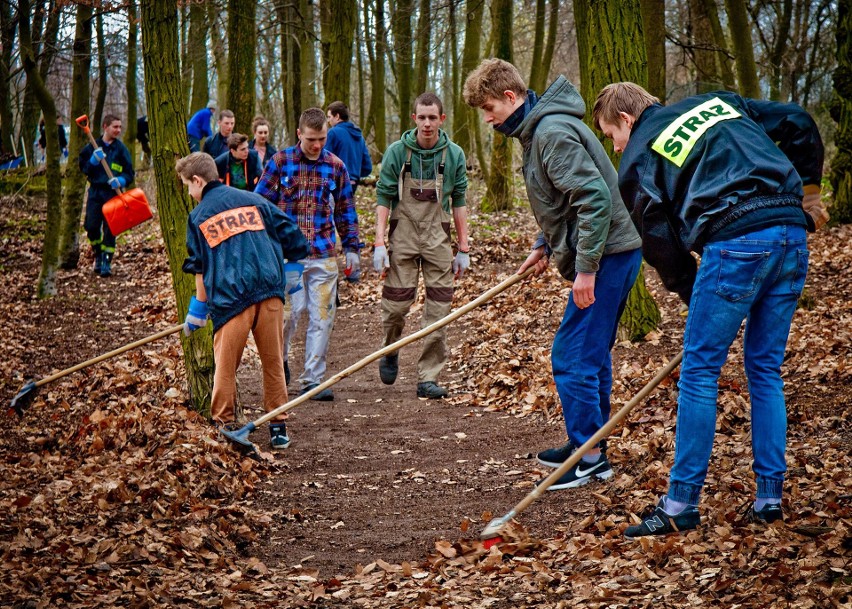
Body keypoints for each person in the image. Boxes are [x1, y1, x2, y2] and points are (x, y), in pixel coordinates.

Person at [592, 83, 827, 537]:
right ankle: (769, 500)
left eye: (610, 135)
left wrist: (691, 289)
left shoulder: (640, 153)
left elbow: (660, 243)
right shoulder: (719, 103)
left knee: (700, 371)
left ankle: (680, 503)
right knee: (764, 369)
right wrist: (808, 194)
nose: (616, 146)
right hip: (790, 235)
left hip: (734, 242)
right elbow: (797, 122)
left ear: (625, 120)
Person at [463, 59, 642, 489]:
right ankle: (589, 444)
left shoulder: (551, 133)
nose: (488, 120)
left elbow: (594, 200)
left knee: (572, 355)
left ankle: (591, 457)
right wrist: (543, 245)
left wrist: (586, 270)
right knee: (591, 353)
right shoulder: (537, 130)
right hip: (612, 254)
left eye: (489, 109)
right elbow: (561, 200)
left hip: (608, 257)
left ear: (511, 97)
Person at [178, 152, 310, 450]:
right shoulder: (254, 200)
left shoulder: (198, 217)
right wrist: (291, 270)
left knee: (225, 366)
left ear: (198, 181)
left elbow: (199, 270)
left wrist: (197, 312)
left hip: (231, 299)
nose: (189, 192)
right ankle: (278, 426)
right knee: (273, 360)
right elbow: (292, 234)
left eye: (188, 185)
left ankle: (224, 425)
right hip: (269, 291)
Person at [255, 107, 361, 401]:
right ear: (299, 134)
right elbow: (260, 205)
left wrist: (352, 248)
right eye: (312, 139)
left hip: (324, 253)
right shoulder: (280, 162)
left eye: (322, 139)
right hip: (288, 257)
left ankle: (313, 379)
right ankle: (282, 363)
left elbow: (345, 211)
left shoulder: (336, 166)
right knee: (289, 314)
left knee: (323, 317)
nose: (317, 145)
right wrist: (264, 245)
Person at [373, 93, 470, 400]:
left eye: (433, 117)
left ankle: (428, 376)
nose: (427, 123)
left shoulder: (453, 155)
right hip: (402, 236)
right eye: (422, 117)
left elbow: (460, 202)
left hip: (438, 238)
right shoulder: (396, 153)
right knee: (396, 305)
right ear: (413, 119)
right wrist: (378, 242)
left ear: (442, 119)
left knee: (439, 309)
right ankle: (391, 349)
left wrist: (464, 247)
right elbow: (383, 197)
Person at [78, 113, 135, 278]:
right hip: (96, 192)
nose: (118, 130)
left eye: (120, 127)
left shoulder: (121, 149)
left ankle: (106, 262)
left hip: (113, 194)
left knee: (111, 229)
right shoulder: (91, 148)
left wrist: (122, 180)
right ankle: (98, 254)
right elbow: (83, 169)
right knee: (91, 226)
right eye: (115, 127)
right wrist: (93, 162)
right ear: (105, 127)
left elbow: (130, 173)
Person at [325, 101, 372, 195]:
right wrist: (354, 174)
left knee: (332, 209)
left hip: (336, 182)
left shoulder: (333, 133)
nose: (328, 121)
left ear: (337, 116)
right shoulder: (359, 136)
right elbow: (367, 167)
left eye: (329, 117)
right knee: (347, 209)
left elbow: (325, 159)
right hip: (353, 183)